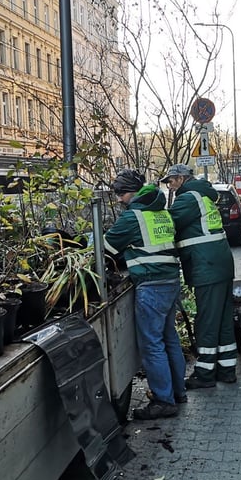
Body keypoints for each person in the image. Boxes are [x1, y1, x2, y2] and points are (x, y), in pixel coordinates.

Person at [103, 169, 188, 419]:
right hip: (170, 280)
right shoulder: (160, 210)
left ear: (133, 192)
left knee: (152, 345)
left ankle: (164, 400)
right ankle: (177, 392)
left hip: (151, 285)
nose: (118, 199)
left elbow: (104, 248)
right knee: (169, 338)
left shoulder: (132, 217)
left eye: (121, 193)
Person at [161, 164, 238, 388]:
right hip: (220, 263)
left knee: (207, 319)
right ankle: (226, 369)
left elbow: (168, 224)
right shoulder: (203, 195)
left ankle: (204, 374)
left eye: (171, 181)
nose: (170, 187)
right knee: (223, 317)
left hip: (207, 266)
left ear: (181, 179)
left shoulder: (188, 199)